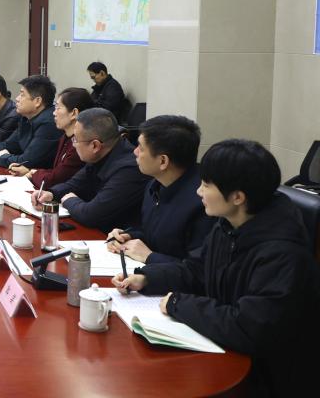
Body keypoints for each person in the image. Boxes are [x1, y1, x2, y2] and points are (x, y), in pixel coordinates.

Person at [113, 140, 320, 397]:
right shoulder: (229, 225)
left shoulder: (282, 254)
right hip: (224, 352)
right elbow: (197, 270)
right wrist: (147, 278)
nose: (198, 192)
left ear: (237, 197)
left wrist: (178, 303)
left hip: (265, 378)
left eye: (206, 185)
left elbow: (249, 327)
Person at [105, 115, 214, 264]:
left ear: (163, 161)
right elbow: (154, 234)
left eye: (141, 148)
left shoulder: (203, 202)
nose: (135, 152)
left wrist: (149, 256)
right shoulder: (155, 184)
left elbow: (199, 269)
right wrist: (128, 235)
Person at [32, 108, 149, 233]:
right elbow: (74, 184)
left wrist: (70, 200)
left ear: (95, 145)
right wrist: (51, 194)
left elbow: (91, 215)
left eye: (76, 139)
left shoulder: (129, 169)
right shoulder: (102, 153)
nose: (73, 144)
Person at [10, 87, 92, 189]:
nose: (54, 113)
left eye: (58, 108)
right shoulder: (65, 137)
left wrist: (33, 173)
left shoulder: (80, 144)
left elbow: (54, 180)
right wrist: (30, 171)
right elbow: (57, 171)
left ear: (74, 113)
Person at [0, 75, 61, 169]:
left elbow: (28, 161)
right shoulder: (26, 118)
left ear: (37, 101)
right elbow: (9, 144)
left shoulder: (49, 124)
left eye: (22, 95)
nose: (17, 99)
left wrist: (3, 157)